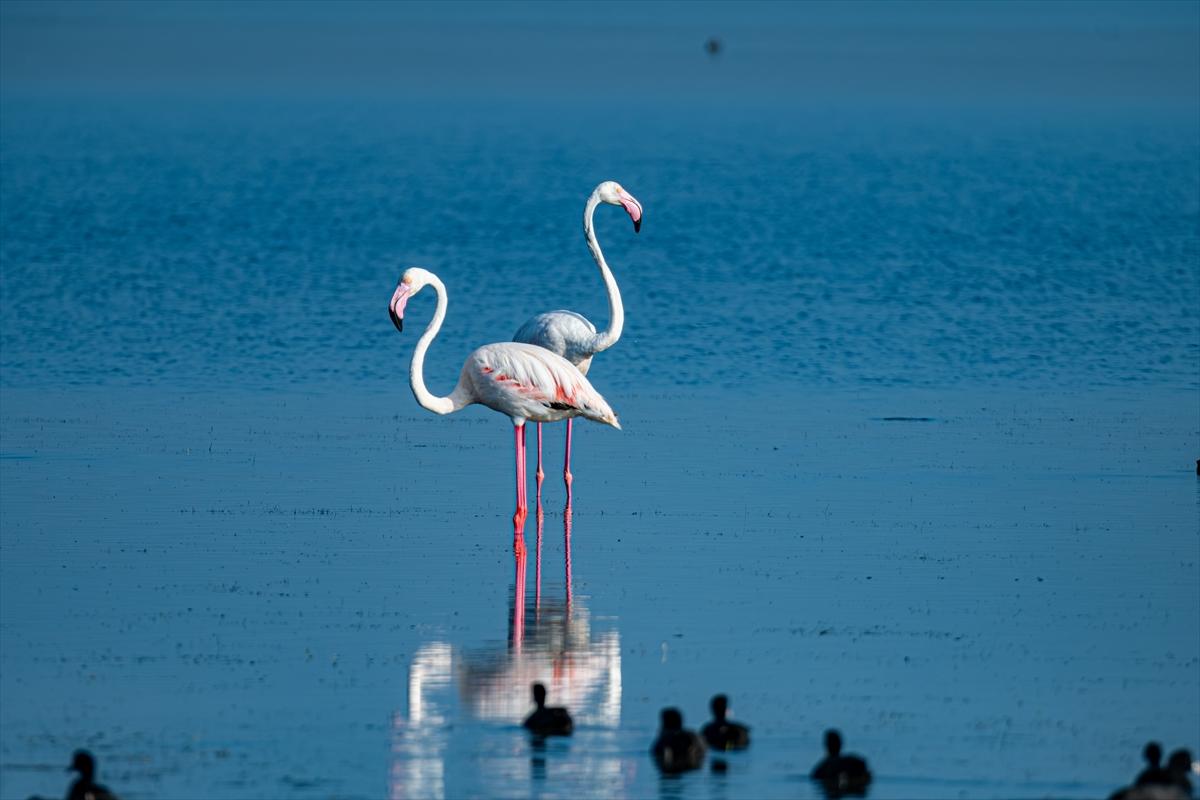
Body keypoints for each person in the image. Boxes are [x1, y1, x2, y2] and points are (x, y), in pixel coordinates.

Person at [810, 729, 871, 797]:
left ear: (826, 745)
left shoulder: (824, 766)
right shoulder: (853, 760)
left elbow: (815, 777)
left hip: (841, 778)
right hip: (855, 780)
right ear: (841, 744)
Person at [651, 708, 705, 773]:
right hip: (694, 757)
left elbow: (656, 752)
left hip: (671, 755)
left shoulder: (665, 738)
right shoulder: (693, 735)